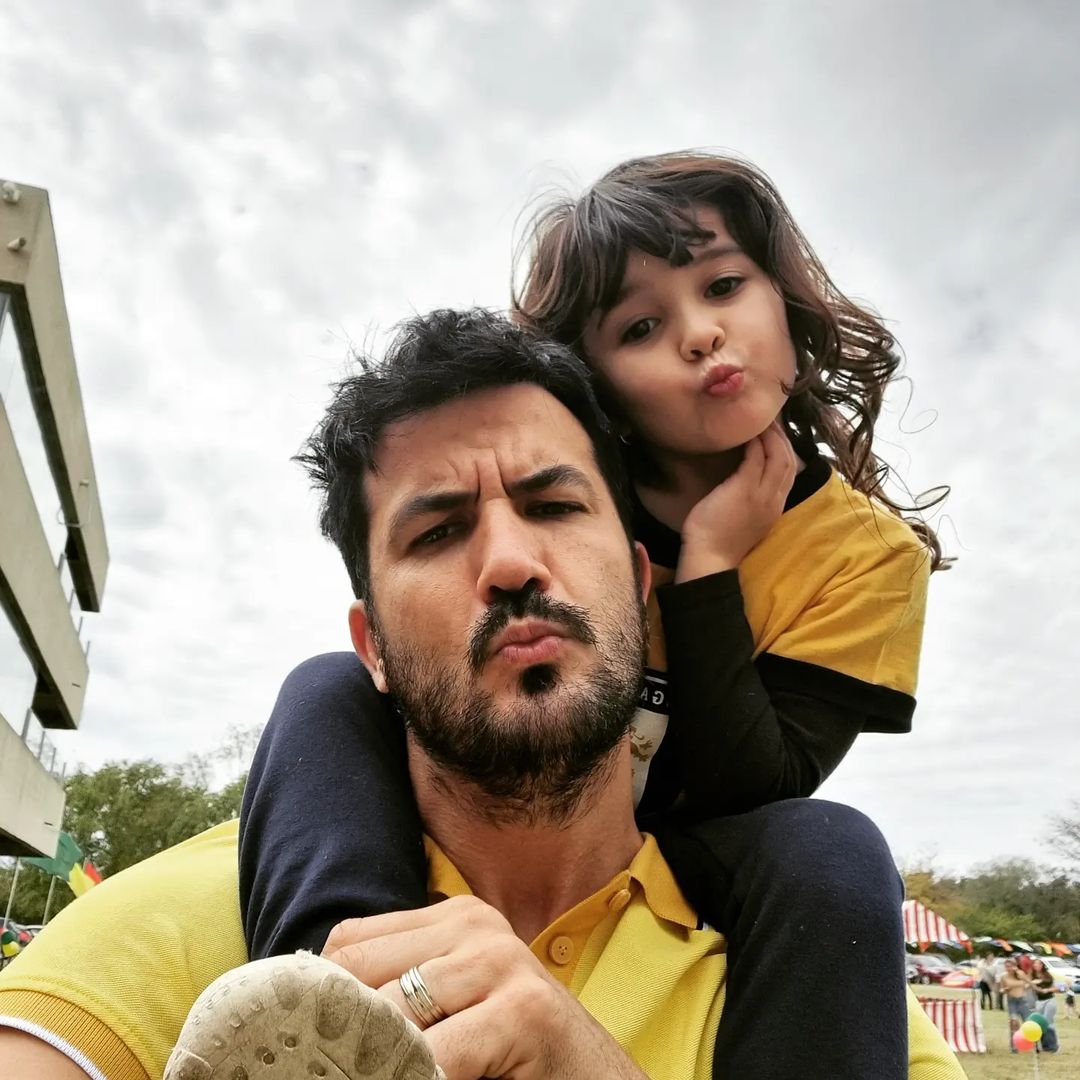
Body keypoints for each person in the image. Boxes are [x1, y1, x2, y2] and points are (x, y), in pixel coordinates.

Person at [0, 311, 962, 1080]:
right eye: (436, 532)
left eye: (554, 505)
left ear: (643, 586)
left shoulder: (826, 975)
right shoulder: (186, 920)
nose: (508, 561)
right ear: (371, 649)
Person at [240, 152, 949, 1074]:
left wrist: (708, 570)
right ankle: (341, 1008)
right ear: (594, 378)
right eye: (641, 326)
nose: (701, 334)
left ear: (786, 294)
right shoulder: (555, 486)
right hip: (500, 804)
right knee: (327, 687)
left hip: (693, 841)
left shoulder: (870, 558)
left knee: (834, 846)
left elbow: (759, 783)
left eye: (725, 285)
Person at [1001, 958, 1034, 1050]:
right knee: (1014, 1022)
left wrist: (1025, 987)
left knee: (1027, 1023)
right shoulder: (1004, 976)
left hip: (1022, 1001)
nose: (1008, 968)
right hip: (1012, 1001)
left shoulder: (1020, 974)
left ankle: (1032, 1043)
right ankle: (1014, 1046)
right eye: (1006, 966)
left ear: (1015, 966)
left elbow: (1029, 983)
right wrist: (1004, 990)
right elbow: (1001, 989)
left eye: (1010, 966)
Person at [1030, 958, 1058, 1051]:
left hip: (1049, 1000)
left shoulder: (1048, 975)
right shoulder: (1032, 976)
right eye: (1034, 964)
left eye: (1037, 964)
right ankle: (1044, 1046)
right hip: (1039, 1002)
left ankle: (1052, 1046)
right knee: (1040, 1023)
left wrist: (1047, 990)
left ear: (1042, 965)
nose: (1035, 965)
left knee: (1047, 1022)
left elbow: (1057, 988)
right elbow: (1028, 984)